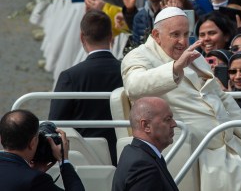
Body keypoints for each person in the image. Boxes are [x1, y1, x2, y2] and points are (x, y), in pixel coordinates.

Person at [121, 7, 241, 190]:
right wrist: (175, 68)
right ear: (156, 35)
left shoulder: (193, 56)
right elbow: (134, 87)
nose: (183, 41)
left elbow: (220, 96)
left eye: (186, 34)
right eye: (175, 35)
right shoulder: (138, 56)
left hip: (229, 144)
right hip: (198, 149)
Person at [48, 10, 123, 163]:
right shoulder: (127, 71)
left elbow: (55, 121)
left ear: (82, 37)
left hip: (83, 154)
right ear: (111, 36)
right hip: (122, 151)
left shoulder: (70, 76)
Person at [0, 110, 84, 191]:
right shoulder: (35, 180)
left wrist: (30, 171)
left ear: (1, 139)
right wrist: (64, 161)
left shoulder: (33, 178)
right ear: (32, 143)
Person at [112, 97, 179, 191]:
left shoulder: (136, 154)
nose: (174, 124)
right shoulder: (144, 166)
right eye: (168, 119)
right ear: (146, 126)